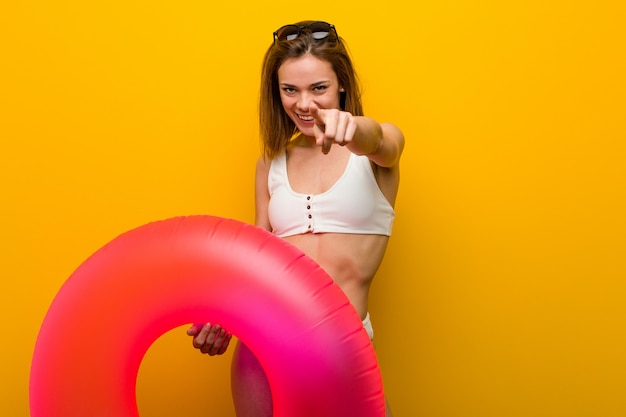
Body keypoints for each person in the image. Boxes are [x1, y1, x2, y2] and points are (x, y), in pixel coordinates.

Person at [187, 20, 404, 417]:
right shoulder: (270, 164)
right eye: (290, 90)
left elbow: (381, 142)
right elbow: (254, 262)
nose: (304, 104)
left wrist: (354, 129)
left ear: (342, 84)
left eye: (318, 88)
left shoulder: (376, 153)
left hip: (343, 350)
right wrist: (222, 318)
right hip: (263, 349)